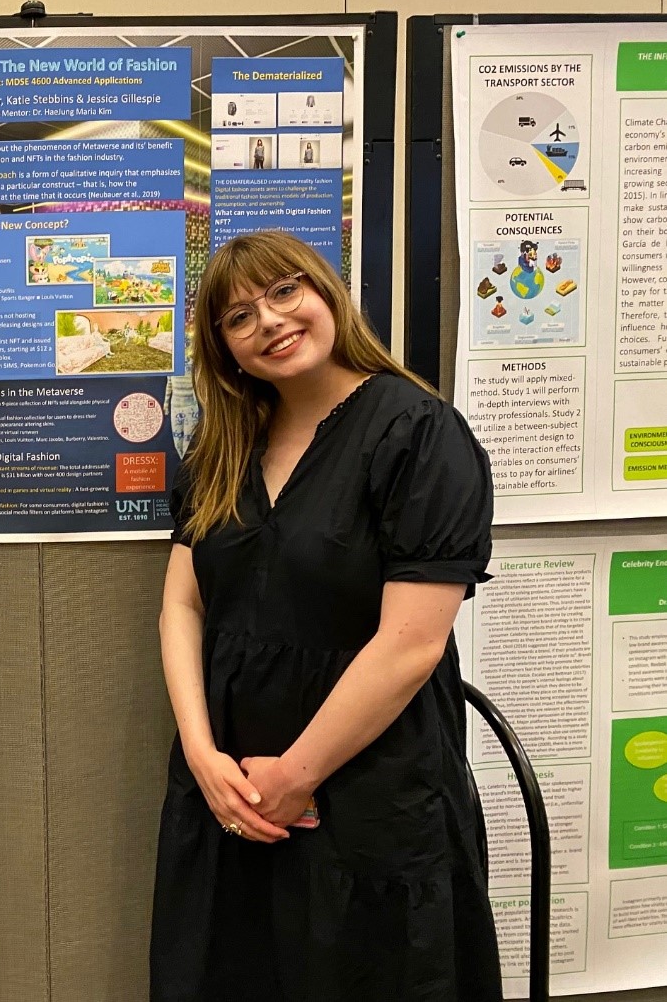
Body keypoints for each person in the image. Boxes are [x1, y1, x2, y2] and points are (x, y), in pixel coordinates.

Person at [151, 231, 501, 1000]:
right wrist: (204, 757)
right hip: (231, 791)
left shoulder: (417, 433)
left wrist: (297, 776)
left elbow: (412, 645)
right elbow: (182, 602)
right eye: (239, 317)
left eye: (284, 293)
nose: (269, 321)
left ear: (326, 293)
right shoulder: (221, 447)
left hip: (368, 788)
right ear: (225, 350)